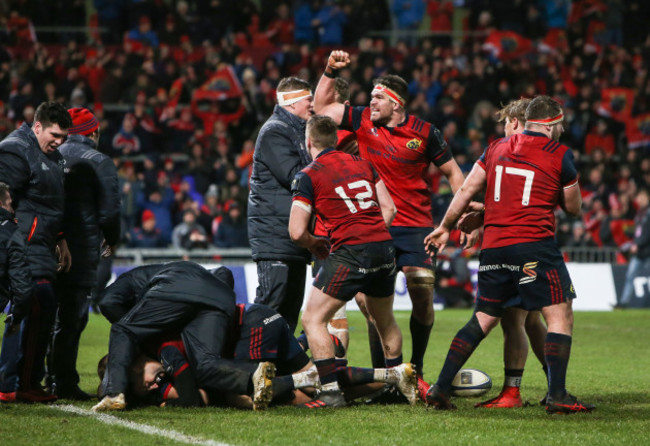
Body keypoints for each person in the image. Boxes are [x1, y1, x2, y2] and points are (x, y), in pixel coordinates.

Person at [314, 51, 477, 400]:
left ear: (396, 103)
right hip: (378, 226)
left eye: (376, 98)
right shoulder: (361, 121)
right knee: (373, 306)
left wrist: (458, 216)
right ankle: (389, 378)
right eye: (369, 96)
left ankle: (413, 370)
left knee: (422, 293)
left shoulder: (425, 133)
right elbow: (321, 109)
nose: (369, 101)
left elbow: (452, 173)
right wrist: (329, 71)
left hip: (417, 226)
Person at [423, 95, 595, 414]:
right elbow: (573, 208)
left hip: (495, 248)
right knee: (558, 314)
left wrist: (446, 226)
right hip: (533, 244)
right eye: (560, 126)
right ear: (552, 124)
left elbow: (465, 190)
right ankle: (557, 394)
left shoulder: (494, 148)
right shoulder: (559, 153)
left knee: (485, 317)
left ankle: (441, 387)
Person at [289, 115, 418, 408]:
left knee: (312, 318)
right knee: (384, 318)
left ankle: (331, 392)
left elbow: (296, 232)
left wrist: (315, 243)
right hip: (384, 247)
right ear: (336, 140)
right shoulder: (363, 164)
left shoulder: (308, 174)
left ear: (308, 142)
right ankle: (397, 382)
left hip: (350, 251)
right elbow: (390, 208)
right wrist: (372, 233)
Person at [457, 99, 549, 409]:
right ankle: (554, 385)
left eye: (506, 123)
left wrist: (471, 217)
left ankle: (513, 391)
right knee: (532, 321)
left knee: (513, 321)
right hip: (534, 242)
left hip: (518, 245)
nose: (503, 128)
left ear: (516, 122)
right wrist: (484, 214)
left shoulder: (513, 150)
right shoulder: (542, 149)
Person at [92, 261, 275, 412]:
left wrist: (139, 334)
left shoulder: (130, 286)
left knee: (122, 330)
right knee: (205, 365)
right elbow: (224, 273)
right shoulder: (192, 274)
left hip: (172, 288)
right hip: (219, 298)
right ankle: (254, 374)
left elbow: (107, 302)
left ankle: (114, 393)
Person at [45, 107, 121, 401]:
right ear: (93, 132)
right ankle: (63, 381)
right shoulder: (99, 161)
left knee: (44, 313)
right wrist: (112, 240)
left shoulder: (48, 155)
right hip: (81, 248)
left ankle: (35, 378)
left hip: (45, 244)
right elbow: (110, 211)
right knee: (73, 316)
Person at [0, 102, 72, 403]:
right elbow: (3, 200)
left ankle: (22, 381)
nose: (59, 142)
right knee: (35, 302)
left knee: (40, 304)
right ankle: (14, 383)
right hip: (20, 245)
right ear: (37, 126)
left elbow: (49, 205)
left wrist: (61, 239)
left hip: (41, 245)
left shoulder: (54, 158)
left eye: (64, 137)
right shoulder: (16, 150)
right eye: (55, 135)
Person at [247, 76, 314, 332]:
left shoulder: (296, 131)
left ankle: (281, 368)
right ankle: (249, 364)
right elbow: (294, 175)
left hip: (292, 236)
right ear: (292, 103)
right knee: (269, 306)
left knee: (289, 310)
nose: (312, 105)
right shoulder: (274, 130)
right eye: (308, 99)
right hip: (274, 236)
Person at [0, 183, 33, 376]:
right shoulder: (11, 232)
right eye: (10, 202)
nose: (13, 207)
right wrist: (17, 315)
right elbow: (21, 283)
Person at [618, 188, 650, 307]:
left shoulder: (648, 213)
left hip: (647, 250)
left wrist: (638, 243)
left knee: (631, 276)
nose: (640, 200)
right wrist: (629, 233)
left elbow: (647, 233)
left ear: (647, 198)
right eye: (639, 198)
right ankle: (623, 302)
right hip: (639, 252)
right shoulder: (639, 213)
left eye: (642, 197)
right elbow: (639, 232)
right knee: (630, 276)